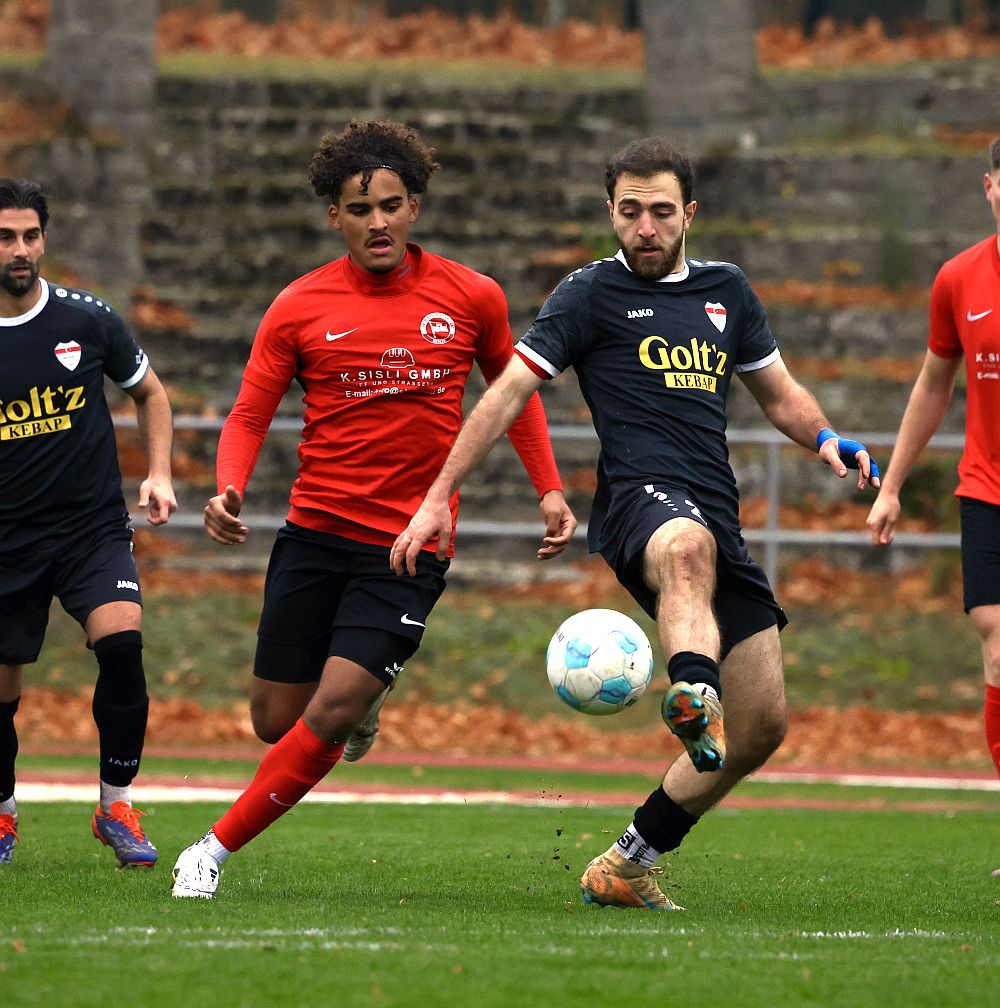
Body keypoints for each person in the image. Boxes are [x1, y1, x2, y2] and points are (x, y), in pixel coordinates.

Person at [392, 137, 880, 911]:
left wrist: (825, 437)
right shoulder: (588, 294)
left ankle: (627, 861)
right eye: (629, 212)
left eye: (660, 211)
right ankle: (693, 692)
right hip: (638, 504)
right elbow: (508, 391)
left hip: (716, 515)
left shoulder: (727, 291)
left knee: (762, 727)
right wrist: (435, 497)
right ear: (610, 213)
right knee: (685, 549)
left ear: (689, 213)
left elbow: (780, 393)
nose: (644, 228)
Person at [170, 120, 575, 898]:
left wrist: (548, 488)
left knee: (331, 706)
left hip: (410, 543)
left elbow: (515, 395)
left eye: (391, 205)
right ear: (335, 217)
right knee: (274, 719)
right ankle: (359, 709)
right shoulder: (298, 305)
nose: (378, 222)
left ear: (414, 206)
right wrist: (228, 486)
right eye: (360, 210)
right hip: (315, 532)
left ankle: (209, 852)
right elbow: (249, 414)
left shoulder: (472, 295)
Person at [0, 178, 176, 868]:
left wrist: (158, 472)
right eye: (5, 238)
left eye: (30, 236)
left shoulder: (87, 319)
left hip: (89, 531)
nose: (20, 250)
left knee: (123, 645)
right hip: (6, 541)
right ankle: (3, 814)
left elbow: (150, 393)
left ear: (44, 239)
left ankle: (116, 805)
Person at [867, 137, 1000, 875]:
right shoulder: (958, 278)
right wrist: (891, 485)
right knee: (997, 643)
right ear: (989, 187)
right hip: (987, 488)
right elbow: (932, 384)